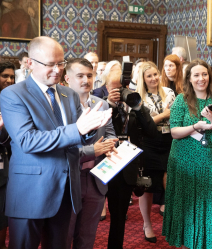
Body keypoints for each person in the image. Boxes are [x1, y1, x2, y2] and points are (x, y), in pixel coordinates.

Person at [0, 36, 112, 248]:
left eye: (61, 63)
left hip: (67, 190)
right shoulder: (12, 95)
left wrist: (92, 128)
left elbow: (77, 139)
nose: (58, 69)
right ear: (30, 63)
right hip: (30, 192)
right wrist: (79, 129)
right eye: (50, 64)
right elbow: (27, 141)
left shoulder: (68, 93)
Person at [162, 59, 212, 249]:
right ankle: (185, 243)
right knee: (186, 204)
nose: (201, 79)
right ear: (189, 79)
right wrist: (196, 126)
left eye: (205, 74)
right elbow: (174, 132)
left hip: (208, 158)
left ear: (210, 76)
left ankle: (205, 243)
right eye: (196, 75)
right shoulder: (181, 100)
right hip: (182, 159)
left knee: (206, 203)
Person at [65, 58, 118, 249]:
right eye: (80, 76)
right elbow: (60, 147)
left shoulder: (102, 104)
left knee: (87, 236)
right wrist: (92, 150)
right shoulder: (59, 107)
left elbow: (111, 135)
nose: (85, 80)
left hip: (97, 177)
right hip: (70, 176)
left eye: (89, 75)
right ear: (67, 79)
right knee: (64, 235)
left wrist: (113, 144)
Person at [104, 69, 158, 248]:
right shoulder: (101, 105)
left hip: (126, 166)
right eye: (115, 88)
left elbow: (151, 131)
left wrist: (138, 107)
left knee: (119, 216)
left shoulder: (135, 107)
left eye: (123, 88)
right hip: (103, 163)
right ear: (105, 87)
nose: (121, 93)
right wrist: (110, 105)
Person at [136, 61, 175, 243]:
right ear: (143, 79)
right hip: (148, 143)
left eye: (155, 74)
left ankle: (172, 223)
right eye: (149, 76)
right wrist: (163, 116)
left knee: (170, 181)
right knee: (148, 186)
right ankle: (147, 224)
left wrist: (156, 118)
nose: (153, 78)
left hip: (168, 141)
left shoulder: (169, 92)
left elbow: (174, 117)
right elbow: (144, 125)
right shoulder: (137, 98)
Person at [0, 61, 15, 249]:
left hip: (8, 165)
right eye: (5, 76)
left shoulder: (12, 100)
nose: (9, 80)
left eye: (12, 76)